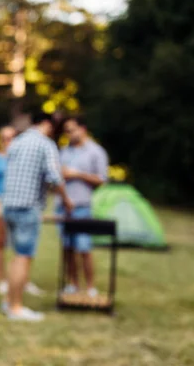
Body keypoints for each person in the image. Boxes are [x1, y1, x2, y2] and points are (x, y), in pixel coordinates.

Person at [2, 112, 73, 322]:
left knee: (16, 256)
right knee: (23, 257)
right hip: (28, 208)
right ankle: (15, 308)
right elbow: (54, 176)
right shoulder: (45, 144)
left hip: (9, 206)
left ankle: (8, 302)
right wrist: (66, 201)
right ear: (47, 124)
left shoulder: (16, 142)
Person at [0, 126, 45, 296]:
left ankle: (23, 280)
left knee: (23, 246)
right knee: (0, 244)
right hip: (0, 205)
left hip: (20, 205)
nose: (7, 141)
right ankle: (3, 280)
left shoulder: (21, 157)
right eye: (4, 138)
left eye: (11, 137)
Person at [57, 115, 108, 298]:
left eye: (72, 130)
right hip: (63, 207)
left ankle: (91, 286)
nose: (69, 134)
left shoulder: (96, 152)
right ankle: (73, 283)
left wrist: (77, 174)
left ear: (82, 129)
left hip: (82, 206)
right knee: (68, 248)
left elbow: (101, 179)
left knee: (84, 248)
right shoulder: (63, 152)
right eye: (66, 131)